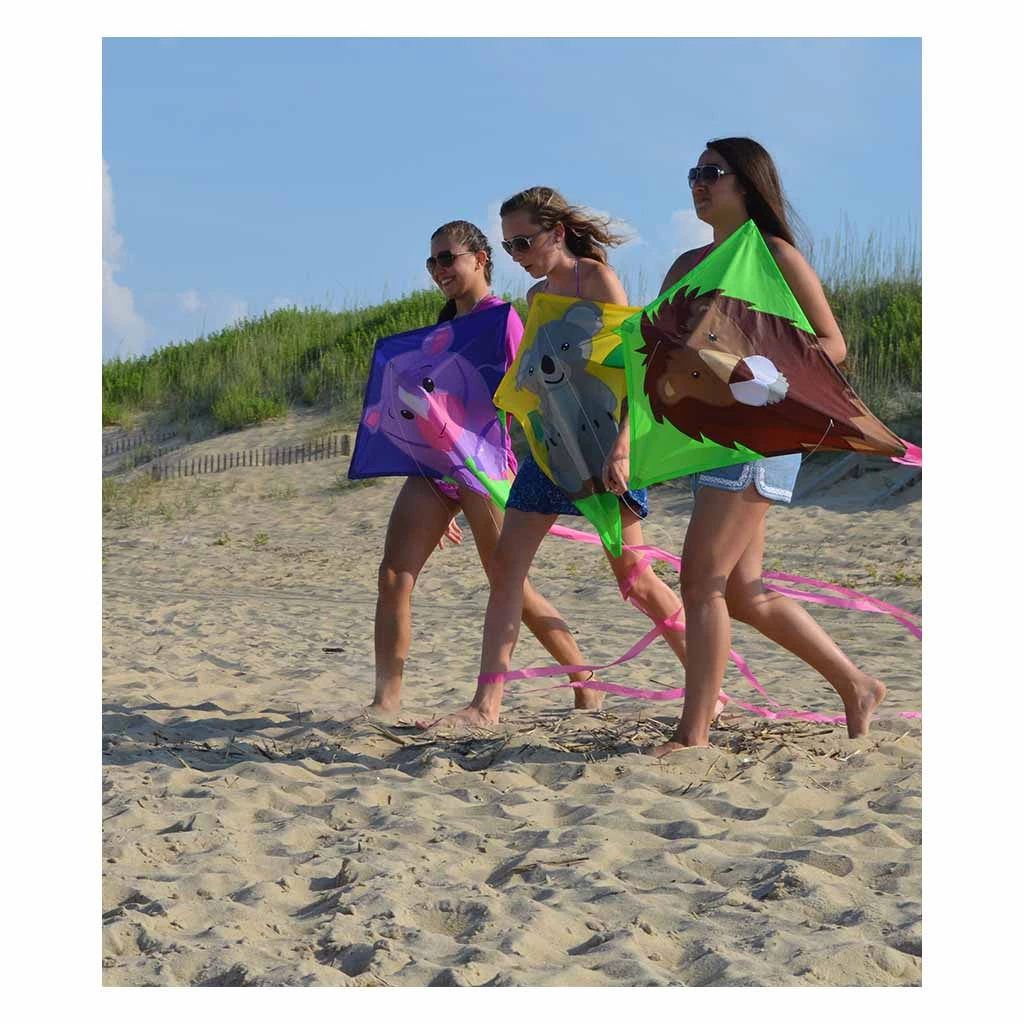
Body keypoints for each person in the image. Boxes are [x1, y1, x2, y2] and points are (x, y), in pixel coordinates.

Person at [421, 188, 714, 730]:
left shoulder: (598, 280)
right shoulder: (538, 295)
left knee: (635, 579)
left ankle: (707, 688)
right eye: (508, 246)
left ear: (556, 233)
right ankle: (485, 706)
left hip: (604, 448)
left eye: (523, 242)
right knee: (506, 569)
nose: (517, 255)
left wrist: (625, 445)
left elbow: (634, 369)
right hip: (551, 449)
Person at [649, 138, 886, 754]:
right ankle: (856, 685)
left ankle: (693, 734)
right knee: (744, 593)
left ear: (748, 183)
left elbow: (833, 345)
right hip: (708, 439)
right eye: (693, 173)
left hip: (759, 434)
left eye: (712, 172)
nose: (699, 183)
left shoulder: (776, 255)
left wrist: (756, 367)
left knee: (700, 581)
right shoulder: (686, 265)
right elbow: (658, 351)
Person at [370, 220, 595, 716]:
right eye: (432, 261)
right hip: (434, 469)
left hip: (486, 466)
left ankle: (585, 680)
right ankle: (385, 701)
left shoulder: (503, 320)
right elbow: (427, 413)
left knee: (510, 584)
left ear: (480, 259)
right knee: (393, 576)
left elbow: (534, 395)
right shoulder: (439, 334)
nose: (439, 270)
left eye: (447, 258)